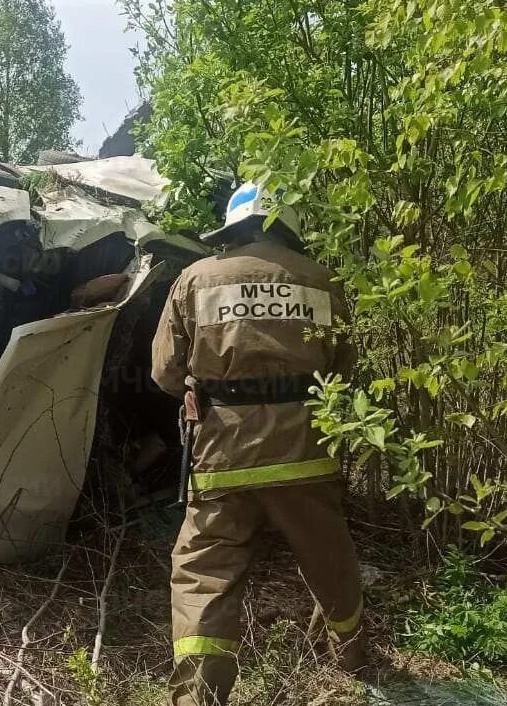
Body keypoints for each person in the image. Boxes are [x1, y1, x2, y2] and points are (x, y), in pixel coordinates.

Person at [150, 181, 366, 706]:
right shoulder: (322, 281)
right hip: (304, 451)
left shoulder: (195, 279)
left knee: (205, 570)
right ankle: (354, 657)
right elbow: (343, 368)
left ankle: (200, 697)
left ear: (233, 227)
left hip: (222, 452)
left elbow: (164, 372)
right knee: (327, 555)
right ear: (287, 227)